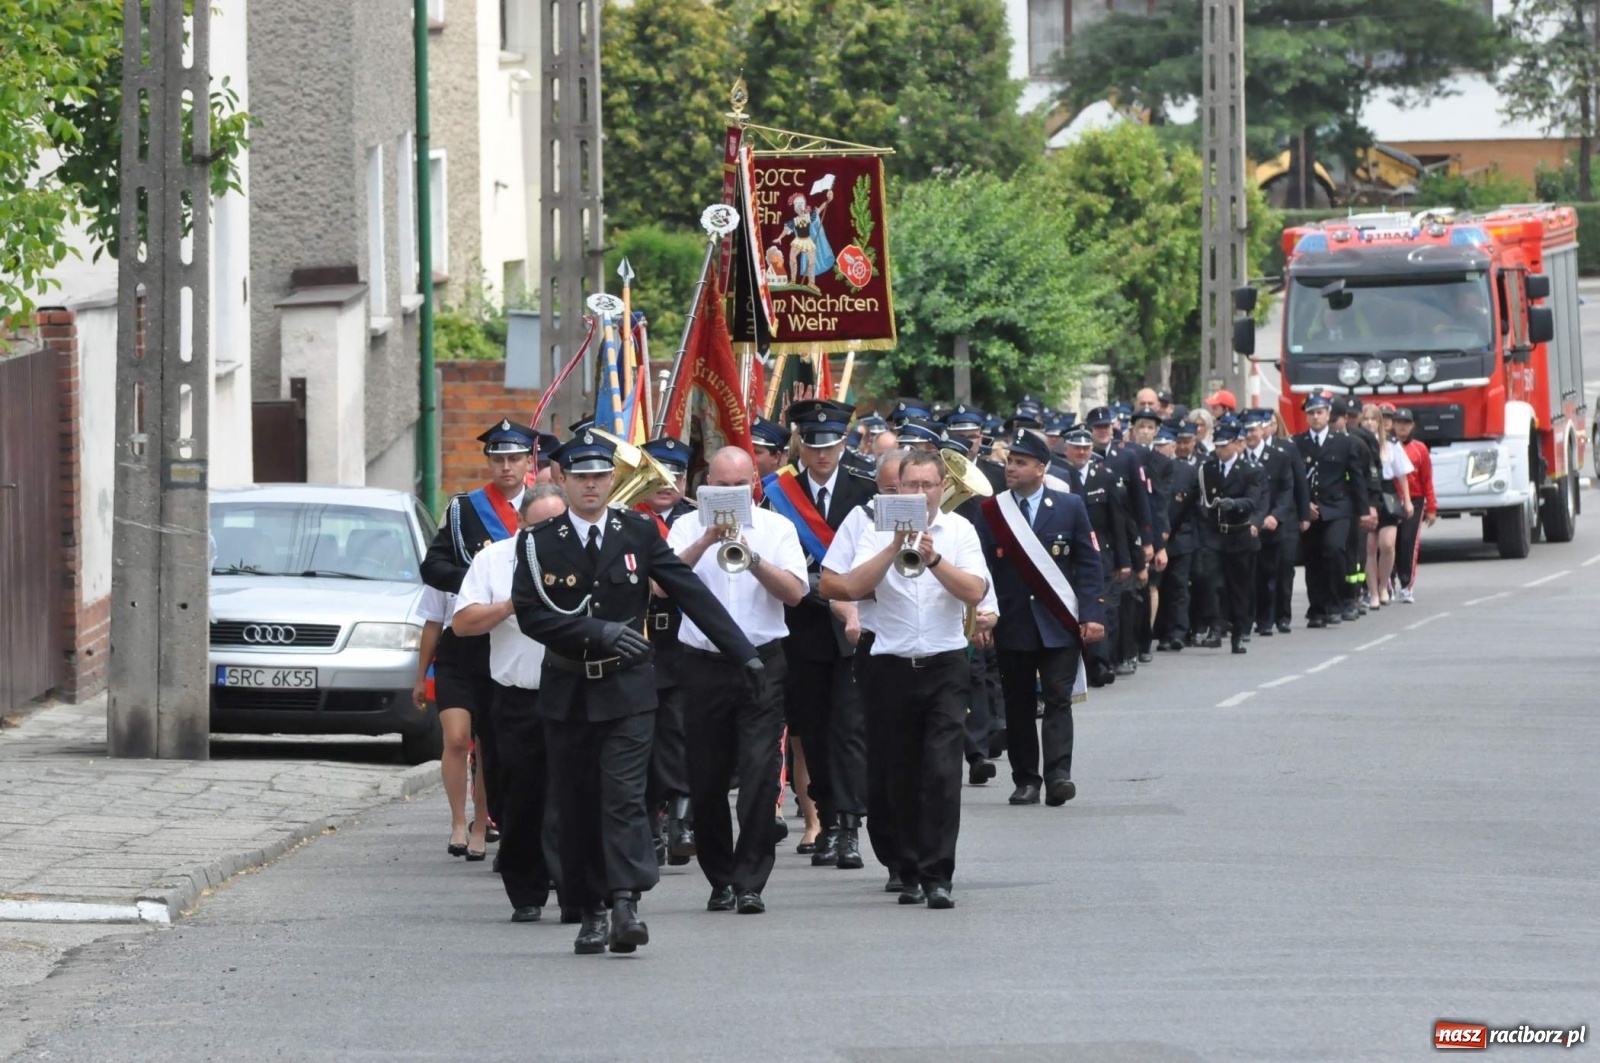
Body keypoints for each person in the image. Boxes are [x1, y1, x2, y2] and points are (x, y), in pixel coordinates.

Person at [510, 433, 761, 955]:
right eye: (580, 476)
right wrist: (594, 632)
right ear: (562, 479)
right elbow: (533, 614)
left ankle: (625, 903)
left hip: (628, 687)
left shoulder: (638, 530)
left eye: (600, 476)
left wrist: (743, 653)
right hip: (570, 689)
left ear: (612, 479)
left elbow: (689, 590)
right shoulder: (538, 541)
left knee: (624, 798)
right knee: (578, 804)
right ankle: (591, 910)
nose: (591, 486)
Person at [833, 450, 990, 909]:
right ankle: (906, 867)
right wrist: (892, 546)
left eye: (928, 485)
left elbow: (975, 591)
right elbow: (849, 587)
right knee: (895, 772)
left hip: (944, 663)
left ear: (943, 488)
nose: (920, 494)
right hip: (890, 663)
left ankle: (938, 874)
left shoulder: (959, 530)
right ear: (896, 489)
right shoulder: (874, 528)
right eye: (911, 486)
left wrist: (934, 557)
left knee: (941, 771)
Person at [668, 448, 808, 915]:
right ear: (704, 487)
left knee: (759, 776)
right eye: (718, 485)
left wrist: (752, 560)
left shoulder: (777, 528)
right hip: (703, 664)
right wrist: (707, 541)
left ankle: (751, 880)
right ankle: (720, 877)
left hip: (761, 662)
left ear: (754, 485)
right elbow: (657, 586)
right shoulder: (686, 527)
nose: (727, 494)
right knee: (706, 779)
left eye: (736, 485)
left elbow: (795, 593)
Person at [451, 484, 571, 923]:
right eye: (538, 526)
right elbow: (462, 623)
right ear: (521, 523)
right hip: (517, 695)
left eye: (558, 525)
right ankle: (526, 890)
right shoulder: (493, 559)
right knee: (520, 797)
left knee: (571, 794)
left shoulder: (584, 553)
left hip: (574, 691)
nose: (550, 534)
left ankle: (573, 885)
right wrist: (508, 607)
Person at [764, 398, 875, 870]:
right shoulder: (776, 495)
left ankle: (849, 827)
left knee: (848, 730)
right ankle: (827, 820)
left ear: (844, 443)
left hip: (857, 629)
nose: (822, 454)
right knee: (812, 730)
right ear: (800, 446)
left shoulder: (867, 491)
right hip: (804, 628)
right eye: (813, 445)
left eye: (831, 445)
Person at [420, 418, 534, 858]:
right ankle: (456, 822)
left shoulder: (544, 507)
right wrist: (478, 578)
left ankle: (486, 822)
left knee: (494, 741)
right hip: (467, 637)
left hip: (512, 642)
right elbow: (433, 567)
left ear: (528, 462)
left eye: (513, 459)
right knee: (457, 737)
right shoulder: (463, 509)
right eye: (498, 459)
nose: (505, 467)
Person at [975, 428, 1107, 807]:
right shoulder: (991, 511)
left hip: (1057, 621)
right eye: (1009, 462)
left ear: (1041, 468)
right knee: (1017, 704)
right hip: (1013, 622)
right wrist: (982, 616)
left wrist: (1092, 612)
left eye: (1020, 462)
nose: (1011, 468)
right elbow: (980, 568)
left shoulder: (1069, 506)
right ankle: (1026, 779)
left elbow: (1088, 563)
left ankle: (1058, 775)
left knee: (1057, 699)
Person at [820, 448, 911, 891]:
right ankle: (875, 841)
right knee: (873, 749)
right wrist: (851, 614)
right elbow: (834, 584)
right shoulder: (860, 519)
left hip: (930, 654)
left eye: (908, 489)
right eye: (891, 490)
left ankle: (924, 855)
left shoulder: (945, 522)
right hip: (878, 648)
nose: (899, 498)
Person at [412, 583, 490, 860]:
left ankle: (480, 825)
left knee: (487, 745)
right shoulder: (445, 568)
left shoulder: (497, 562)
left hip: (494, 653)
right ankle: (458, 822)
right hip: (453, 658)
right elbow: (432, 623)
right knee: (457, 738)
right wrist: (421, 677)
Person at [1056, 427, 1129, 685]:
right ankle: (1080, 664)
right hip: (1068, 553)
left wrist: (1125, 561)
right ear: (1066, 449)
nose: (1082, 452)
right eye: (1076, 447)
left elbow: (1117, 522)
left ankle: (1100, 664)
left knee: (1103, 609)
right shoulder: (1059, 476)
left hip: (1101, 553)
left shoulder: (1105, 477)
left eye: (1086, 448)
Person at [1292, 395, 1370, 629]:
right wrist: (1303, 505)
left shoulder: (1344, 442)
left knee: (1334, 550)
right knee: (1313, 559)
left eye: (1320, 412)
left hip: (1337, 507)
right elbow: (1295, 479)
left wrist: (1364, 510)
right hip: (1311, 509)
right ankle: (1317, 607)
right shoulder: (1297, 442)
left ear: (1327, 415)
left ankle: (1335, 603)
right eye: (1311, 413)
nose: (1315, 417)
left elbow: (1356, 478)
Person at [1198, 422, 1269, 654]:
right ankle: (1215, 627)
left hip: (1238, 534)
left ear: (1236, 444)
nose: (1220, 450)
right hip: (1215, 533)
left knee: (1239, 588)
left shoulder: (1250, 470)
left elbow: (1254, 500)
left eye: (1224, 445)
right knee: (1212, 582)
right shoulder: (1208, 468)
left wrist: (1235, 504)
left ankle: (1239, 632)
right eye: (1217, 446)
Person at [1240, 410, 1299, 638]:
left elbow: (1287, 490)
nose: (1250, 435)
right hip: (1245, 527)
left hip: (1271, 525)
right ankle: (1246, 621)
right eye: (1246, 431)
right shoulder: (1239, 457)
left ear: (1263, 430)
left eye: (1254, 430)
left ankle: (1270, 619)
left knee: (1270, 574)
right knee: (1246, 576)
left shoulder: (1279, 456)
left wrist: (1276, 515)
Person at [1359, 406, 1414, 607]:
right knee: (1369, 546)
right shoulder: (1357, 441)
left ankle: (1384, 585)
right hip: (1366, 492)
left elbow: (1402, 473)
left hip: (1387, 492)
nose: (1370, 423)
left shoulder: (1390, 443)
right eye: (1366, 419)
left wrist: (1407, 500)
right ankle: (1373, 591)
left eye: (1374, 419)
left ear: (1380, 422)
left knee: (1388, 544)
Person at [1154, 428, 1200, 652]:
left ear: (1173, 447)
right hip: (1154, 539)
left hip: (1181, 536)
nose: (1161, 450)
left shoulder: (1188, 471)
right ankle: (1162, 632)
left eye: (1165, 445)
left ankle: (1179, 631)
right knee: (1158, 587)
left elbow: (1192, 507)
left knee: (1179, 586)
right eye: (1158, 446)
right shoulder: (1147, 467)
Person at [1392, 408, 1436, 602]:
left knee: (1408, 542)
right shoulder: (1387, 446)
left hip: (1415, 502)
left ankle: (1407, 585)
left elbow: (1427, 480)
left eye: (1406, 423)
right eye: (1398, 422)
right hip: (1391, 500)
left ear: (1412, 426)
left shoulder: (1420, 449)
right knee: (1390, 543)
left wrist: (1431, 508)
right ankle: (1388, 582)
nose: (1402, 426)